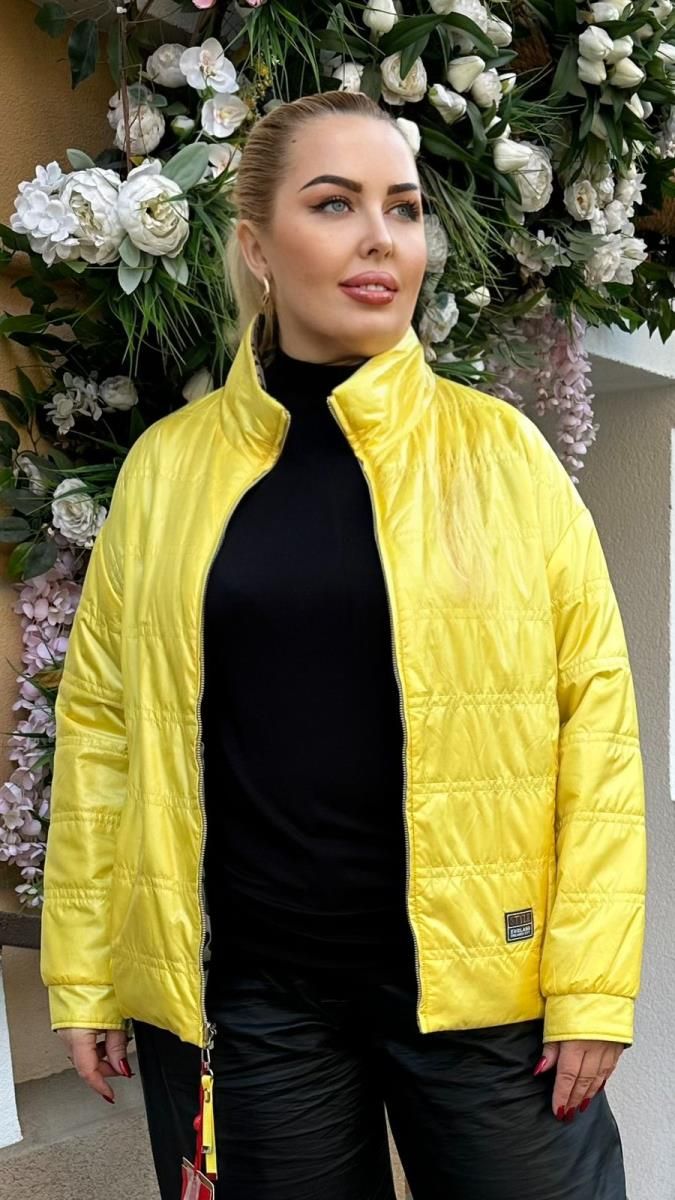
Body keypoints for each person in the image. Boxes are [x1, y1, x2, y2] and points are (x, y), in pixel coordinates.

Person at [40, 89, 646, 1200]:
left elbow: (595, 725)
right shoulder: (166, 470)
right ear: (257, 249)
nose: (380, 237)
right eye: (335, 204)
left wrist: (592, 987)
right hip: (251, 1005)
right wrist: (82, 970)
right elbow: (104, 728)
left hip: (488, 989)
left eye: (403, 208)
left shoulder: (502, 455)